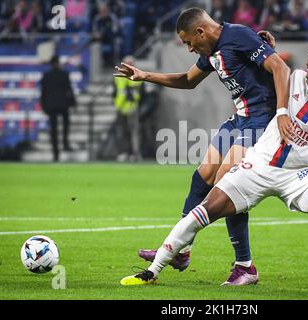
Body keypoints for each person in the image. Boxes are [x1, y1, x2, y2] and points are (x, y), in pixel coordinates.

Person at [120, 41, 308, 290]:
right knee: (207, 207)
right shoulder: (293, 78)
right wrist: (267, 48)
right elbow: (269, 66)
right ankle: (152, 271)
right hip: (258, 166)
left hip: (299, 176)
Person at [114, 7, 292, 285]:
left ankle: (245, 266)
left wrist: (282, 113)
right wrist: (144, 75)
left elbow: (281, 67)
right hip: (240, 119)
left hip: (261, 119)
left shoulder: (239, 36)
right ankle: (181, 251)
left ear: (201, 31)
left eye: (188, 42)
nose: (188, 49)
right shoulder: (209, 52)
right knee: (202, 177)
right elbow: (187, 81)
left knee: (227, 186)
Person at [40, 55, 76, 162]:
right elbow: (69, 90)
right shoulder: (64, 74)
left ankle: (57, 152)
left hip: (52, 106)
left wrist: (43, 105)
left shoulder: (47, 75)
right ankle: (64, 145)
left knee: (55, 130)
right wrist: (73, 103)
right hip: (62, 105)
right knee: (63, 127)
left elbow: (43, 93)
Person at [113, 55, 143, 162]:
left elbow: (141, 93)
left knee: (134, 132)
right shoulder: (118, 76)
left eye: (131, 63)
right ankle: (123, 153)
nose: (129, 66)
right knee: (121, 132)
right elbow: (115, 91)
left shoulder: (138, 75)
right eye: (127, 64)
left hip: (132, 107)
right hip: (120, 107)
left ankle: (135, 153)